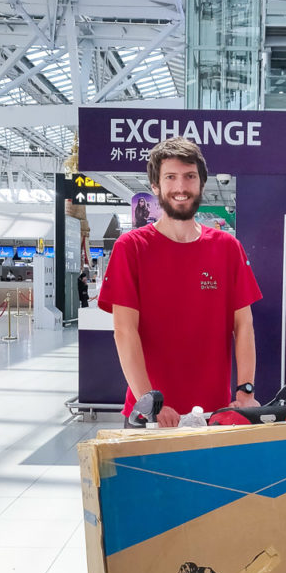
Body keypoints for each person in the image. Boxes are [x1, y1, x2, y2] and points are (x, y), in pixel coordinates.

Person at [98, 136, 262, 427]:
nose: (181, 187)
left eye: (189, 177)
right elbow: (124, 331)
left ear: (200, 184)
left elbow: (244, 325)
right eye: (171, 177)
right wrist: (148, 400)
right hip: (150, 417)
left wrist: (245, 390)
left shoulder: (227, 248)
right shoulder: (132, 248)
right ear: (156, 187)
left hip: (215, 414)